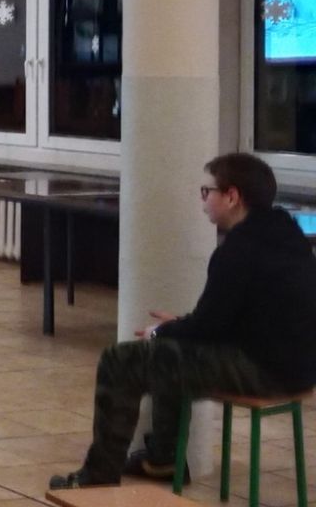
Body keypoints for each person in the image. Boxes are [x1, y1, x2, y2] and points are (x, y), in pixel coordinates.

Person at [52, 153, 316, 489]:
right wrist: (179, 326)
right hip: (297, 367)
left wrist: (162, 330)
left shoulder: (239, 249)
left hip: (264, 371)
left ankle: (98, 477)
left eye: (207, 191)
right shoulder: (288, 235)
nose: (203, 201)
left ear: (232, 196)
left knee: (119, 361)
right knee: (174, 348)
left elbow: (208, 327)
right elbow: (236, 316)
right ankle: (162, 458)